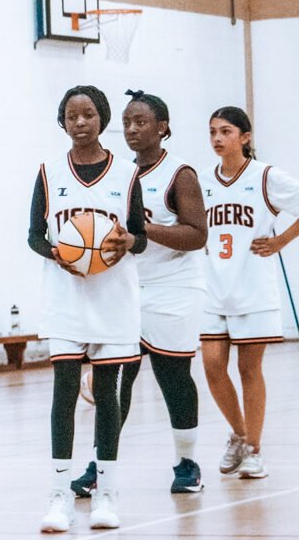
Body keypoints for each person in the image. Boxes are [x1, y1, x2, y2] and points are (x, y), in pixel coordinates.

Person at [71, 91, 207, 497]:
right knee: (116, 380)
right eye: (127, 122)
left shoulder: (180, 174)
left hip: (173, 288)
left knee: (172, 375)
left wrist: (141, 235)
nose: (131, 129)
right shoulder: (117, 175)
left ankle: (187, 462)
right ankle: (99, 466)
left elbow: (198, 234)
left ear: (162, 127)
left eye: (141, 122)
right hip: (129, 288)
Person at [29, 85, 146, 533]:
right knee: (63, 392)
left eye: (89, 114)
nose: (81, 122)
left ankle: (106, 493)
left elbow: (140, 235)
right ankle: (59, 496)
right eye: (72, 115)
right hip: (65, 296)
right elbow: (33, 235)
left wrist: (128, 242)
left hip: (113, 295)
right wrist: (57, 254)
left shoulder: (126, 175)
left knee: (107, 395)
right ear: (62, 122)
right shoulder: (47, 172)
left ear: (103, 119)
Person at [200, 105, 299, 479]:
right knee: (212, 367)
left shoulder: (265, 177)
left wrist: (281, 242)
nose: (217, 138)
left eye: (225, 131)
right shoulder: (202, 180)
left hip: (253, 287)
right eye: (212, 131)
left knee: (248, 369)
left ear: (245, 137)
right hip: (213, 286)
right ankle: (239, 435)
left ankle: (255, 449)